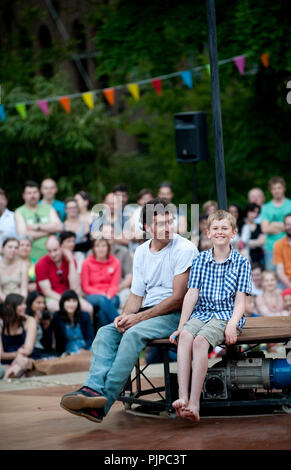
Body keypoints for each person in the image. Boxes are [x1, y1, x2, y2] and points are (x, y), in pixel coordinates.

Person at [60, 197, 197, 423]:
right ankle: (92, 390)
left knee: (133, 333)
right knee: (106, 332)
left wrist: (137, 318)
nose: (168, 227)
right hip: (148, 312)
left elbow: (178, 298)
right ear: (147, 227)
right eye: (161, 223)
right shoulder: (142, 251)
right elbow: (136, 295)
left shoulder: (184, 248)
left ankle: (103, 400)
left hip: (177, 314)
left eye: (170, 221)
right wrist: (125, 317)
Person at [169, 210, 252, 422]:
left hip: (226, 316)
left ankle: (195, 403)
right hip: (202, 312)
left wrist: (232, 324)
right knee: (185, 337)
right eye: (215, 228)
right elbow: (192, 294)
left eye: (225, 228)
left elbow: (241, 301)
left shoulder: (241, 262)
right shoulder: (200, 260)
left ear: (233, 233)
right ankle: (182, 398)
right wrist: (181, 325)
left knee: (199, 341)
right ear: (208, 233)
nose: (220, 232)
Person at [35, 235, 93, 318]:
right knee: (56, 308)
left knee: (88, 309)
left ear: (61, 247)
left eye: (55, 250)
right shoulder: (41, 264)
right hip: (52, 297)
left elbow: (74, 287)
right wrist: (65, 301)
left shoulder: (69, 260)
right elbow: (47, 291)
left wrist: (71, 262)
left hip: (70, 295)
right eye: (49, 251)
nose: (53, 254)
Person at [15, 181, 63, 263]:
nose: (32, 195)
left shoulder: (48, 208)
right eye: (29, 193)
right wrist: (49, 231)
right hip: (31, 258)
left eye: (35, 192)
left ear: (39, 193)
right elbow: (23, 235)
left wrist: (37, 227)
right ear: (24, 195)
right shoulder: (19, 211)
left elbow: (59, 227)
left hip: (52, 256)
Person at [81, 238, 121, 327]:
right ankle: (122, 325)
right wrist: (101, 294)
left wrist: (108, 295)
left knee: (103, 311)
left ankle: (107, 337)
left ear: (108, 248)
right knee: (102, 300)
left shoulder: (115, 262)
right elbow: (85, 286)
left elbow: (114, 285)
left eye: (103, 246)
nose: (101, 249)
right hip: (92, 295)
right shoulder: (86, 263)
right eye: (97, 246)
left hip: (111, 294)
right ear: (93, 249)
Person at [0, 293, 37, 379]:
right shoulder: (1, 323)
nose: (24, 306)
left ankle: (5, 381)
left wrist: (19, 356)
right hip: (5, 361)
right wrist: (17, 354)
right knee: (9, 367)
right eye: (20, 304)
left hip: (26, 358)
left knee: (22, 362)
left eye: (24, 304)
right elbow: (0, 354)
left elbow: (28, 350)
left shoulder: (29, 321)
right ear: (10, 307)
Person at [261, 177, 291, 270]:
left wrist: (273, 224)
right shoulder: (266, 207)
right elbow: (265, 228)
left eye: (279, 188)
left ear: (284, 188)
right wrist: (284, 225)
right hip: (271, 248)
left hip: (289, 246)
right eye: (274, 188)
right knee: (272, 279)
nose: (277, 191)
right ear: (270, 190)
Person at [52, 290, 94, 355]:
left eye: (74, 301)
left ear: (78, 303)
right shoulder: (57, 316)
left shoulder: (85, 316)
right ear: (63, 302)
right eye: (68, 301)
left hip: (86, 347)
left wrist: (84, 349)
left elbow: (90, 337)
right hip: (68, 349)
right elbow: (58, 339)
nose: (71, 304)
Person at [101, 224, 133, 308]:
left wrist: (116, 289)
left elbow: (129, 277)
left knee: (126, 294)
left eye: (112, 232)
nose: (110, 235)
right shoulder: (94, 252)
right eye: (106, 233)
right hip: (100, 289)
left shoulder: (124, 252)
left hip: (120, 288)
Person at [26, 291, 54, 357]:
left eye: (44, 303)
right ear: (30, 304)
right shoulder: (26, 318)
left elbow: (49, 343)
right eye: (38, 303)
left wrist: (46, 328)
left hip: (43, 350)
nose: (42, 306)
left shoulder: (44, 316)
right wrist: (35, 321)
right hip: (32, 350)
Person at [0, 238, 28, 304]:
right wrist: (9, 303)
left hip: (19, 301)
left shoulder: (23, 265)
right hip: (3, 301)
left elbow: (24, 289)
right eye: (10, 247)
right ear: (2, 249)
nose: (13, 250)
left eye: (16, 248)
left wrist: (20, 302)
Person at [273, 214, 291, 289]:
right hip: (286, 282)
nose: (290, 227)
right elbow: (280, 270)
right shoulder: (278, 244)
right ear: (284, 226)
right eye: (288, 224)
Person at [0, 188, 17, 253]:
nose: (0, 201)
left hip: (11, 259)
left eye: (2, 199)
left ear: (7, 201)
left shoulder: (14, 217)